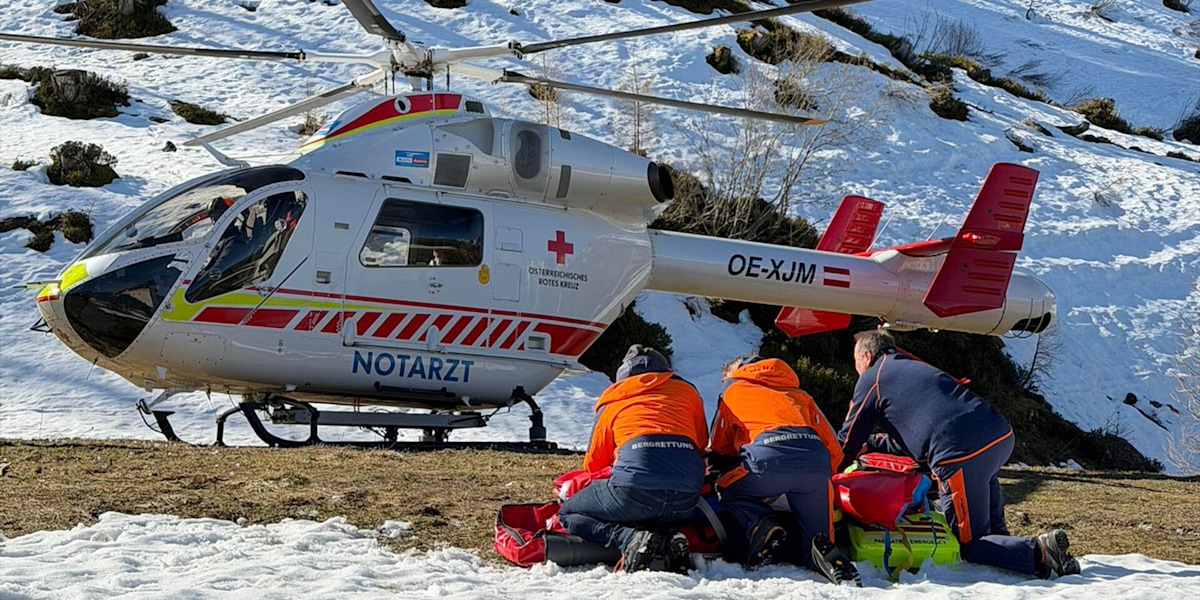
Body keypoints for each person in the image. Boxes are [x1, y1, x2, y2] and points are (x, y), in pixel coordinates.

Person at [839, 330, 1080, 578]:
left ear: (866, 356)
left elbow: (848, 441)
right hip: (998, 436)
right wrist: (873, 444)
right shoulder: (914, 367)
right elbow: (916, 437)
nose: (856, 367)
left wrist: (829, 473)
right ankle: (1028, 557)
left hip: (959, 454)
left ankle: (1040, 551)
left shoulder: (872, 379)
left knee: (970, 543)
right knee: (991, 527)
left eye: (855, 360)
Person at [557, 345, 709, 573]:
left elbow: (593, 465)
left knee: (567, 513)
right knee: (658, 502)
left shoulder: (614, 399)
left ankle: (628, 538)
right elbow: (700, 442)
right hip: (686, 498)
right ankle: (668, 536)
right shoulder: (688, 392)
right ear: (667, 370)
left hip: (633, 493)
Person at [709, 355, 859, 585]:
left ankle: (761, 521)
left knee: (725, 486)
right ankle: (827, 562)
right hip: (815, 463)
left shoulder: (733, 389)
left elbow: (720, 445)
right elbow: (834, 449)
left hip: (766, 462)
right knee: (817, 536)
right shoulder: (799, 394)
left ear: (736, 372)